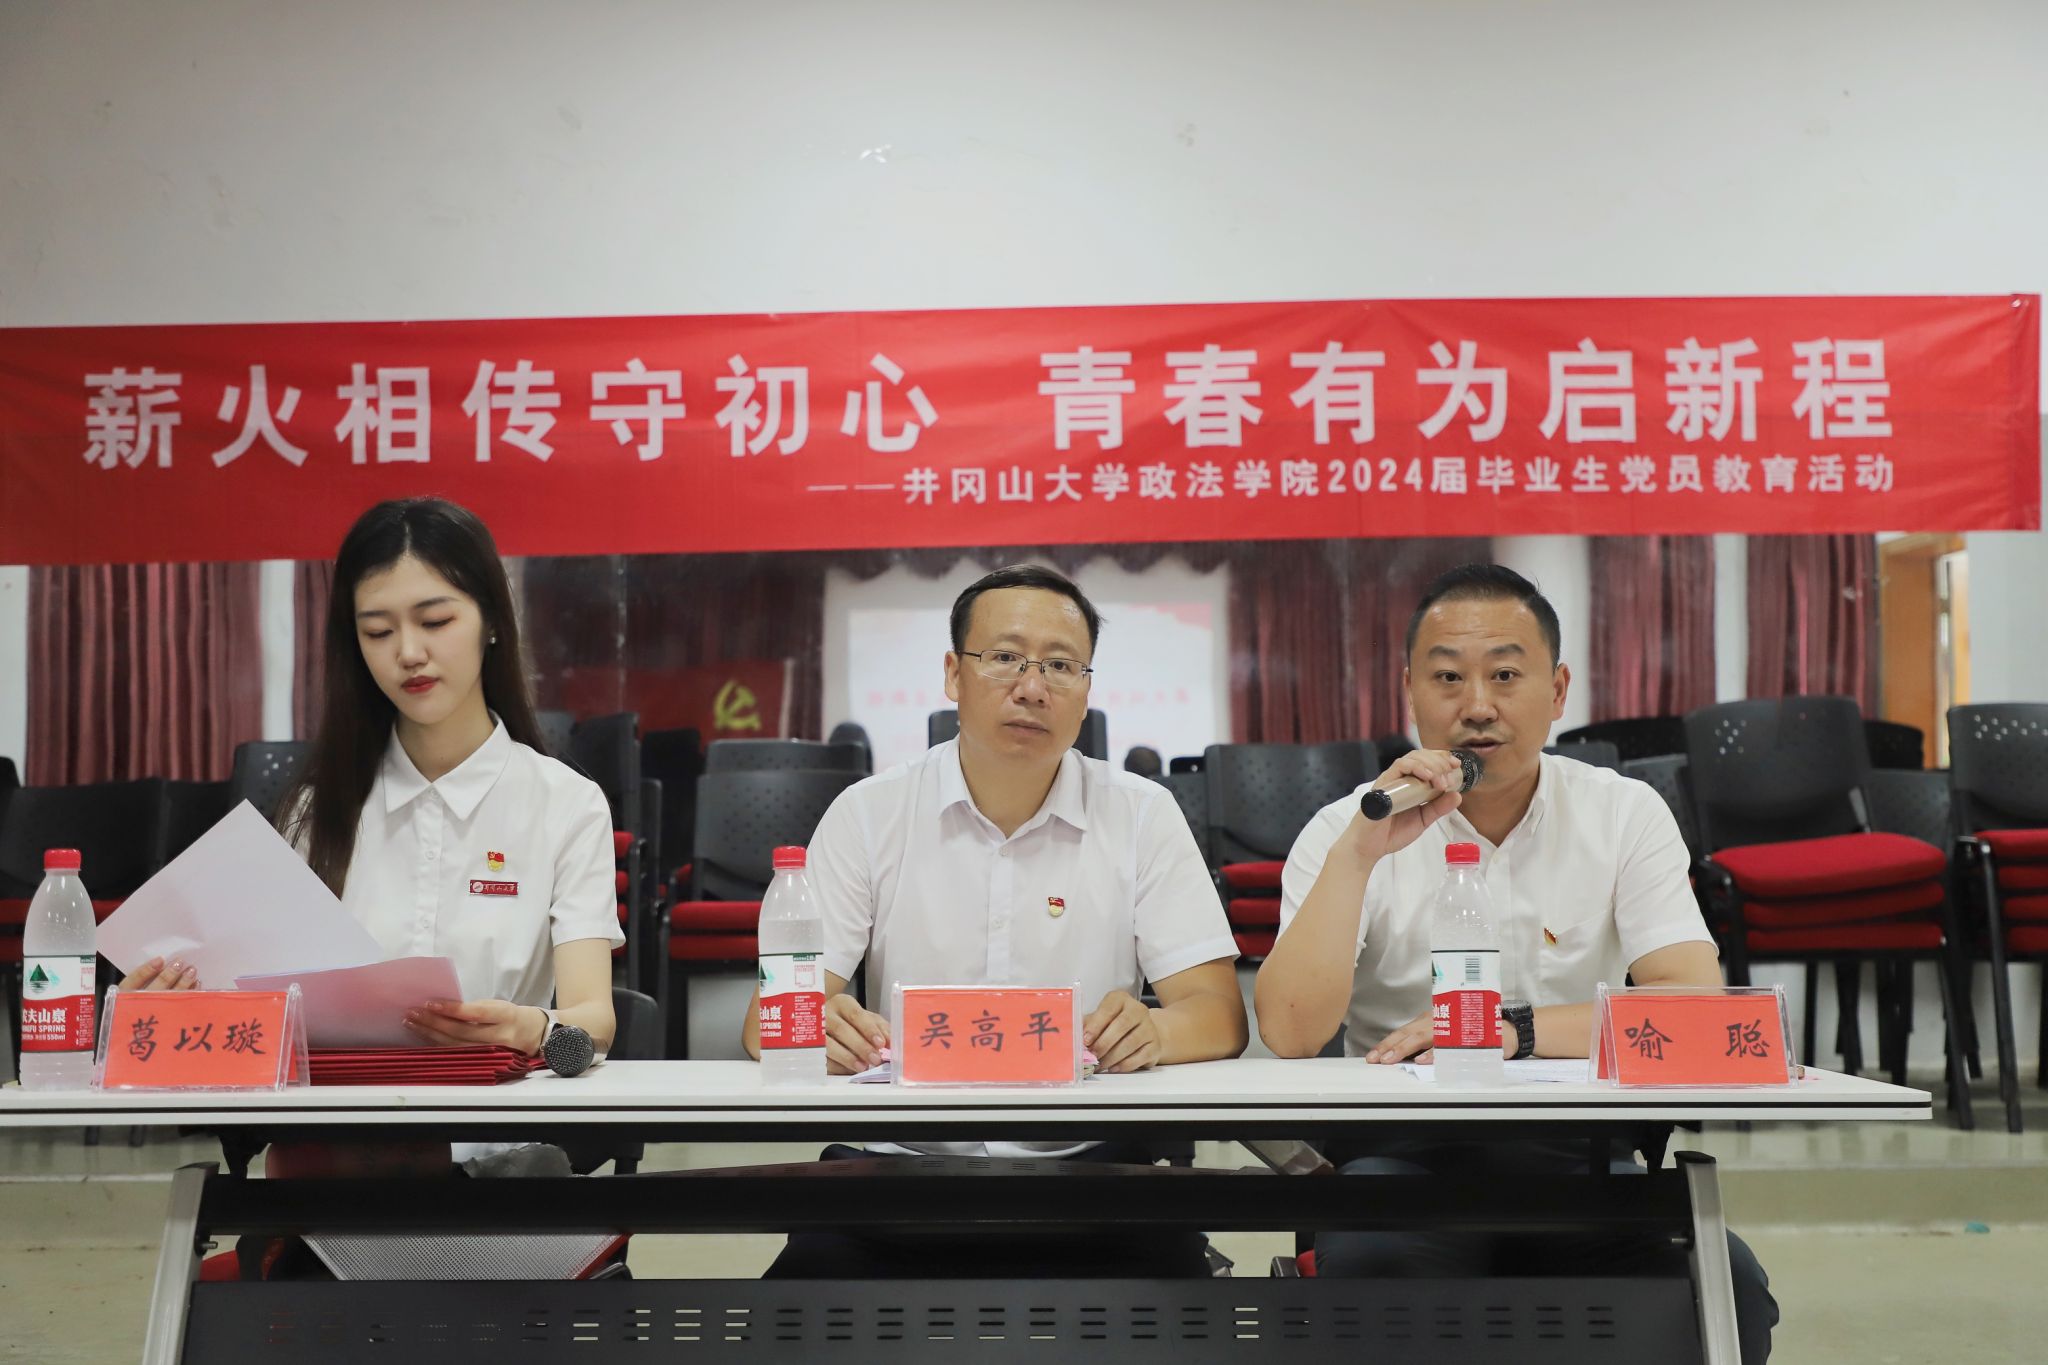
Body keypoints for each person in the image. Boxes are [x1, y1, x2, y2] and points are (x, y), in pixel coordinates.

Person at [1254, 563, 1777, 1362]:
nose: (1477, 706)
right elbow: (1290, 1033)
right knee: (1377, 1279)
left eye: (1505, 674)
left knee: (1725, 1291)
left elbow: (1694, 1010)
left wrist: (1513, 1031)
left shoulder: (1621, 812)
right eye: (1447, 677)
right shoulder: (1346, 828)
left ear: (1558, 690)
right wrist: (1360, 854)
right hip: (1399, 1160)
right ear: (1409, 690)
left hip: (1582, 1157)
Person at [741, 563, 1247, 1277]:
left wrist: (1156, 1031)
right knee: (788, 1318)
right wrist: (817, 1027)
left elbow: (1219, 1015)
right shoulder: (869, 813)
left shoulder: (1141, 814)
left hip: (1094, 1172)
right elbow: (765, 1023)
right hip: (894, 1173)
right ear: (954, 674)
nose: (1032, 686)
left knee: (1197, 1324)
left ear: (1086, 692)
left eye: (1060, 665)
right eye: (1005, 657)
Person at [124, 495, 620, 1082]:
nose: (409, 653)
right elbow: (258, 1011)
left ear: (491, 620)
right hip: (334, 1120)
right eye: (378, 632)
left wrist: (529, 1027)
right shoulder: (316, 808)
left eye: (435, 622)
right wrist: (172, 1006)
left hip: (495, 1123)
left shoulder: (565, 804)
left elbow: (594, 1021)